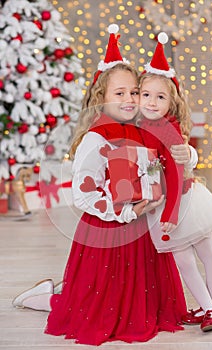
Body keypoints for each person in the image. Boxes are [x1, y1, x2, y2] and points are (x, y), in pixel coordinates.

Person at [12, 25, 197, 345]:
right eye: (120, 93)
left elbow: (170, 156)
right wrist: (125, 211)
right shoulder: (97, 138)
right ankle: (41, 298)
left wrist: (188, 154)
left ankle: (62, 290)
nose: (130, 99)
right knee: (91, 305)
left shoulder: (142, 126)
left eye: (134, 92)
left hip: (142, 230)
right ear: (102, 97)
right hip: (109, 229)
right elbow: (84, 195)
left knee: (138, 299)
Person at [138, 32, 212, 332]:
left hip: (181, 201)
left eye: (160, 97)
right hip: (171, 202)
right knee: (195, 257)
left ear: (171, 102)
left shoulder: (165, 128)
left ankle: (211, 308)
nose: (151, 101)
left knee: (196, 257)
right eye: (146, 94)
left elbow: (175, 174)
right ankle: (210, 308)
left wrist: (171, 213)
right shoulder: (144, 125)